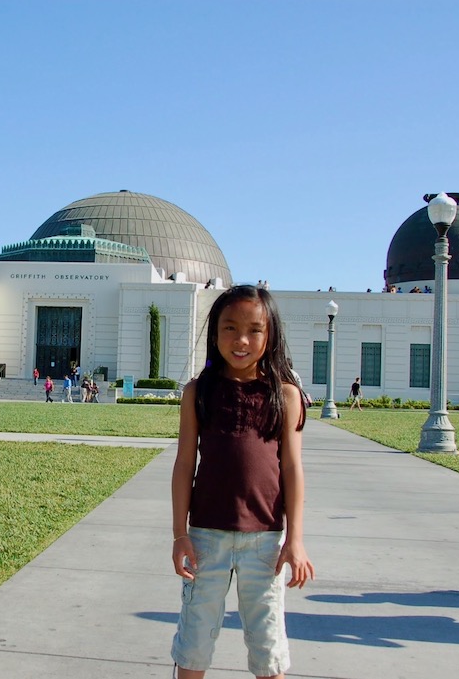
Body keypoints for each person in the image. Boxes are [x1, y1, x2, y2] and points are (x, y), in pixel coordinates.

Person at [170, 285, 313, 679]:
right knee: (194, 642)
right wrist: (179, 533)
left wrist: (295, 540)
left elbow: (292, 469)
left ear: (271, 336)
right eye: (229, 328)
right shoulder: (198, 393)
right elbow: (184, 464)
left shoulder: (285, 395)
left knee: (268, 647)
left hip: (264, 540)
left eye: (254, 330)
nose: (242, 340)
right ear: (215, 334)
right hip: (206, 538)